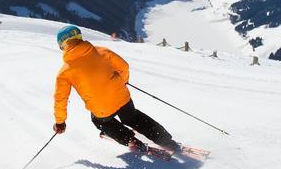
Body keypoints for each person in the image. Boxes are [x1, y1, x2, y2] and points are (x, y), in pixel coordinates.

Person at [51, 25, 182, 154]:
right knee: (134, 118)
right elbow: (124, 67)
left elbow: (60, 99)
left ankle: (130, 140)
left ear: (63, 46)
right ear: (79, 37)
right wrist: (122, 81)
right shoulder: (102, 51)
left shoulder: (64, 72)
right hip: (122, 97)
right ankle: (166, 141)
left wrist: (60, 122)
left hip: (101, 109)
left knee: (100, 121)